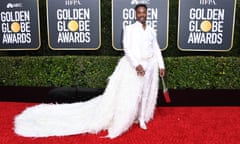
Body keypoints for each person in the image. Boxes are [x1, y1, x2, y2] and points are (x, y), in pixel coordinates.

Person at [14, 4, 165, 139]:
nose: (142, 15)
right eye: (139, 13)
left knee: (146, 93)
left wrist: (161, 66)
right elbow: (127, 48)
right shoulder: (129, 29)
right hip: (134, 68)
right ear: (135, 14)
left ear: (147, 13)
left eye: (144, 12)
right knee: (131, 95)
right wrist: (136, 64)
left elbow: (156, 48)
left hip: (151, 66)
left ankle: (142, 117)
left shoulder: (151, 30)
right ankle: (127, 117)